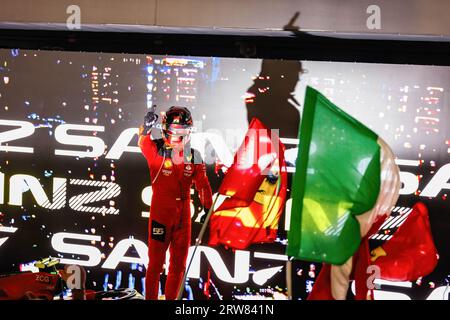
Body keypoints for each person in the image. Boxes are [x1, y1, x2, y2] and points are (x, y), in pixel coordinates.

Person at [138, 105, 213, 300]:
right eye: (175, 130)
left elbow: (203, 185)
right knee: (155, 263)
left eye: (183, 131)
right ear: (166, 129)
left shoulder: (194, 155)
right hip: (160, 214)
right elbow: (143, 142)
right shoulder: (156, 151)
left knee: (179, 266)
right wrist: (146, 127)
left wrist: (207, 208)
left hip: (183, 217)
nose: (178, 135)